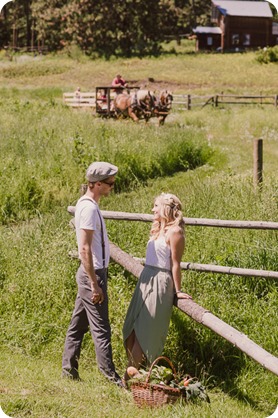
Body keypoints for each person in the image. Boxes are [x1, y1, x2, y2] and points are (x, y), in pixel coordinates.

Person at [62, 161, 123, 387]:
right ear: (97, 184)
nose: (112, 187)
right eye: (110, 184)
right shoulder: (88, 208)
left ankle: (69, 370)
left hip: (93, 273)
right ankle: (111, 378)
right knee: (101, 328)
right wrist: (94, 283)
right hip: (93, 274)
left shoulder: (90, 205)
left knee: (78, 324)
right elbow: (84, 249)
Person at [122, 193, 192, 382]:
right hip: (146, 278)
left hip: (161, 281)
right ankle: (133, 374)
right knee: (132, 329)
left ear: (166, 209)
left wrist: (177, 291)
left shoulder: (175, 232)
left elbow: (175, 264)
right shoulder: (158, 229)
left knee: (144, 333)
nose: (152, 209)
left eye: (155, 206)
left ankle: (128, 381)